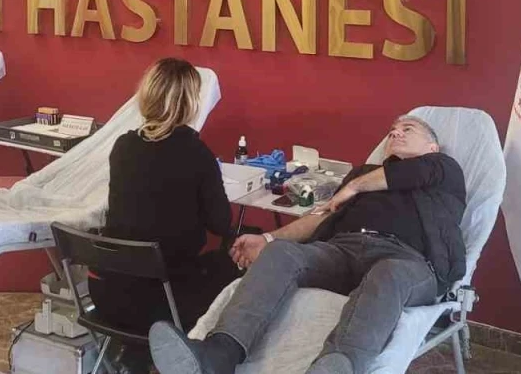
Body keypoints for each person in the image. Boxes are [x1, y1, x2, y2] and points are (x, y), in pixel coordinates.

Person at [149, 116, 466, 374]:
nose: (395, 132)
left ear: (432, 146)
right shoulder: (364, 174)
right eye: (392, 130)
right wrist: (269, 239)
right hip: (344, 250)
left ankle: (339, 366)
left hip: (408, 261)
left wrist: (354, 187)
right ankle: (217, 356)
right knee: (281, 254)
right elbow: (321, 216)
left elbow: (413, 173)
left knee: (388, 275)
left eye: (407, 129)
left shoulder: (444, 169)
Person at [89, 58, 240, 373]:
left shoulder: (123, 146)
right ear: (190, 102)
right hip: (162, 302)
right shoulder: (196, 154)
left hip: (107, 295)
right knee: (238, 261)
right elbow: (222, 223)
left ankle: (136, 355)